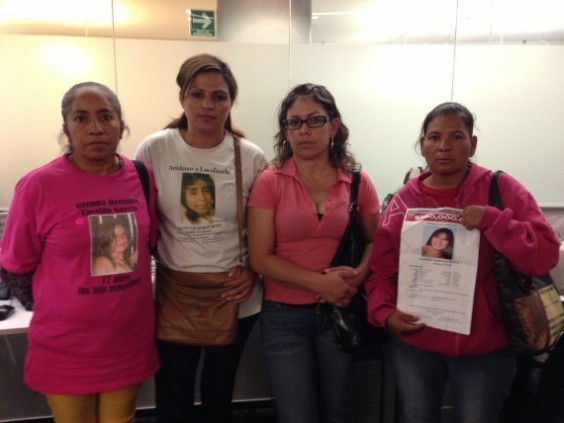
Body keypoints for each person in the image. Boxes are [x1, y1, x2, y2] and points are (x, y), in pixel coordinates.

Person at [365, 102, 561, 423]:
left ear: (473, 144)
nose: (444, 146)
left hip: (485, 347)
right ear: (422, 145)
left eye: (456, 137)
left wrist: (494, 221)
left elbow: (545, 255)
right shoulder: (403, 201)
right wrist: (385, 314)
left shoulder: (500, 188)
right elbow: (381, 271)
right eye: (434, 137)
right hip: (416, 342)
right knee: (416, 416)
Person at [0, 81, 159, 423]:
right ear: (67, 127)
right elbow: (16, 265)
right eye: (81, 118)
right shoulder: (38, 186)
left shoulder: (142, 177)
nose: (96, 128)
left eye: (106, 116)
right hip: (66, 349)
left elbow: (151, 243)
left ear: (121, 125)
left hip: (127, 341)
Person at [135, 53, 267, 423]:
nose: (207, 105)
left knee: (219, 394)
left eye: (219, 96)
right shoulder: (154, 149)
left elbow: (265, 230)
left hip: (236, 296)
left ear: (231, 102)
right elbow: (141, 222)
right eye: (197, 94)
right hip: (176, 294)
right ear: (182, 98)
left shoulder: (250, 157)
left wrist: (253, 273)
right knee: (173, 395)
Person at [247, 83, 380, 422]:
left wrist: (355, 278)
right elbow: (260, 258)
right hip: (284, 318)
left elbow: (377, 242)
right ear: (286, 131)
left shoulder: (358, 182)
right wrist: (321, 284)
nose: (304, 130)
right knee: (297, 415)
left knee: (334, 411)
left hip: (339, 311)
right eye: (294, 122)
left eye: (314, 120)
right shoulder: (270, 181)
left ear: (333, 126)